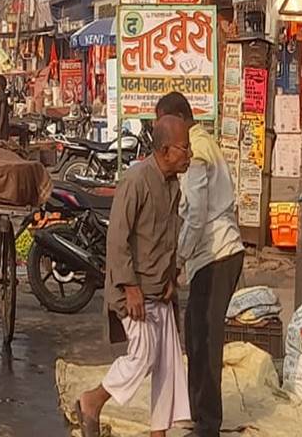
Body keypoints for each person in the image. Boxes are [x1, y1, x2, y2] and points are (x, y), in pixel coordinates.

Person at [76, 114, 192, 437]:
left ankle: (159, 433)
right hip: (133, 290)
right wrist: (129, 287)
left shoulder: (173, 185)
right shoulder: (136, 180)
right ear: (166, 150)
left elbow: (170, 236)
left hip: (160, 289)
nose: (190, 154)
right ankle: (92, 400)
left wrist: (172, 276)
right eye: (185, 148)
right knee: (143, 357)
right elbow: (117, 238)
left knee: (169, 364)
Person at [159, 92, 244, 437]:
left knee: (205, 341)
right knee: (195, 334)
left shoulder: (194, 151)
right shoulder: (202, 142)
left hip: (216, 252)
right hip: (212, 253)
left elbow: (195, 215)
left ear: (179, 119)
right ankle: (198, 413)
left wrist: (178, 259)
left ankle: (208, 424)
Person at [0, 73, 12, 140]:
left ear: (0, 84)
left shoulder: (2, 96)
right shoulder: (1, 96)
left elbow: (2, 114)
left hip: (1, 126)